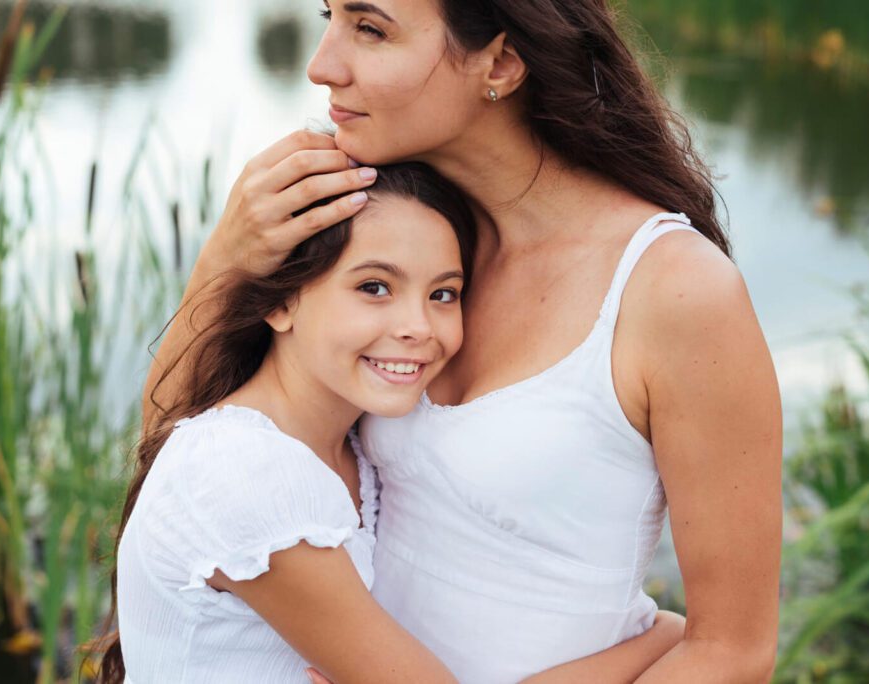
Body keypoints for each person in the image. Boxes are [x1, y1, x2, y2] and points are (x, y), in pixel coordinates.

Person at [143, 1, 783, 682]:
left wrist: (655, 646)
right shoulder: (393, 237)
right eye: (329, 17)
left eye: (370, 28)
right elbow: (184, 468)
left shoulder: (674, 290)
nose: (320, 65)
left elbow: (732, 651)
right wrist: (225, 264)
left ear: (500, 63)